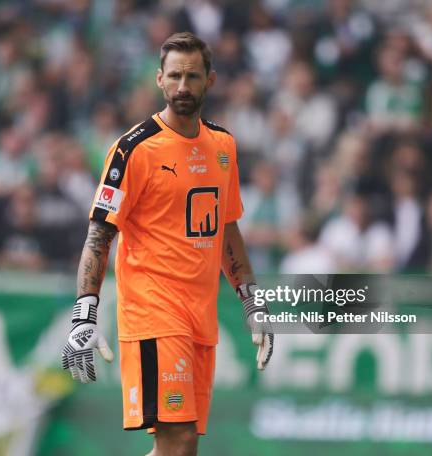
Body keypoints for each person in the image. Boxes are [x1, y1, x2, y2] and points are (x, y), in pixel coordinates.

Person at [60, 32, 274, 456]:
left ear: (210, 81)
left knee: (184, 445)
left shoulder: (223, 146)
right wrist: (84, 315)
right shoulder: (132, 150)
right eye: (174, 75)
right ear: (159, 79)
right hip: (154, 312)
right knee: (176, 441)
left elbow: (227, 229)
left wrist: (252, 300)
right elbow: (99, 235)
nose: (182, 86)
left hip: (201, 317)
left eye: (192, 76)